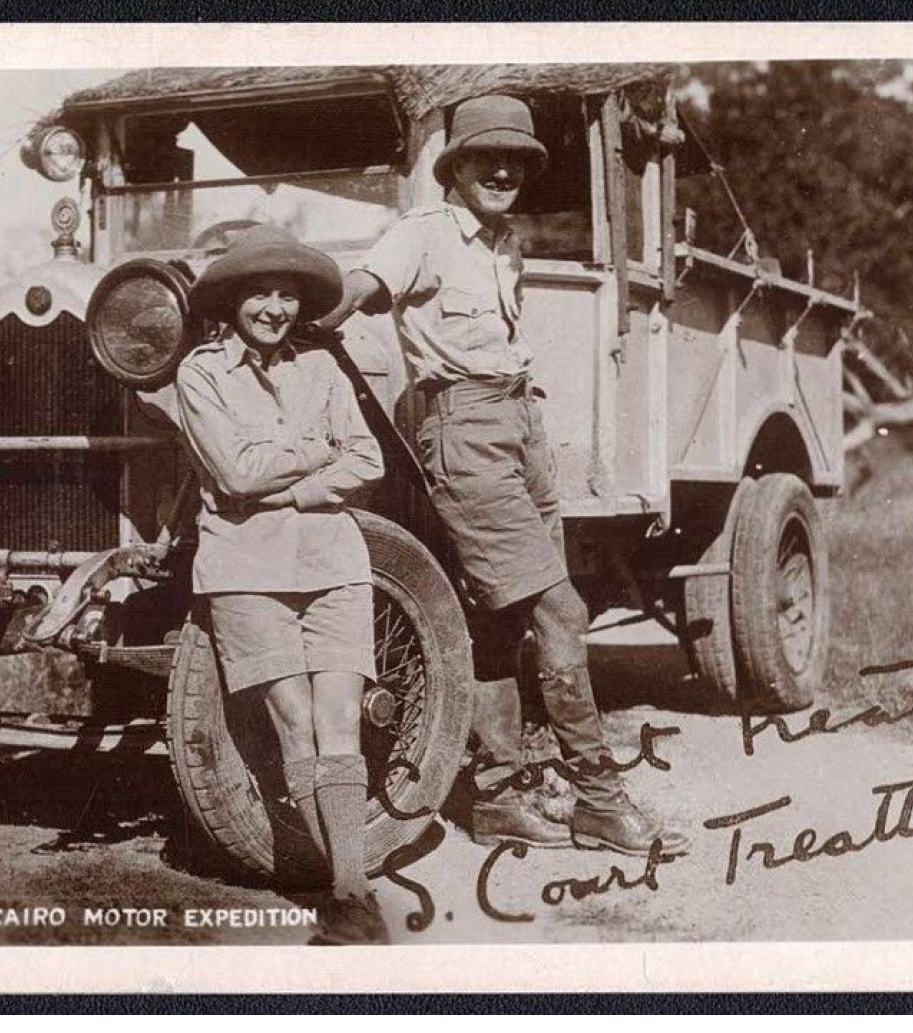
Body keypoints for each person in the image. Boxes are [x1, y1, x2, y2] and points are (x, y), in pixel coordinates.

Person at [318, 94, 688, 858]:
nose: (502, 169)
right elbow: (364, 285)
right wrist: (312, 306)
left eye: (515, 159)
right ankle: (597, 799)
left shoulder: (502, 242)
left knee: (500, 616)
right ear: (453, 168)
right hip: (464, 429)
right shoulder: (421, 233)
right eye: (486, 157)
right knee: (560, 612)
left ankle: (497, 793)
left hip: (520, 424)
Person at [175, 225, 390, 945]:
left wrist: (297, 489)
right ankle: (343, 885)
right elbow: (232, 472)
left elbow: (368, 459)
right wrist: (314, 450)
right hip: (245, 568)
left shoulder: (323, 369)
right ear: (233, 300)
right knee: (294, 721)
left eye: (286, 293)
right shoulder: (198, 373)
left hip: (332, 559)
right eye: (259, 292)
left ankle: (351, 892)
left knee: (340, 722)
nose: (273, 306)